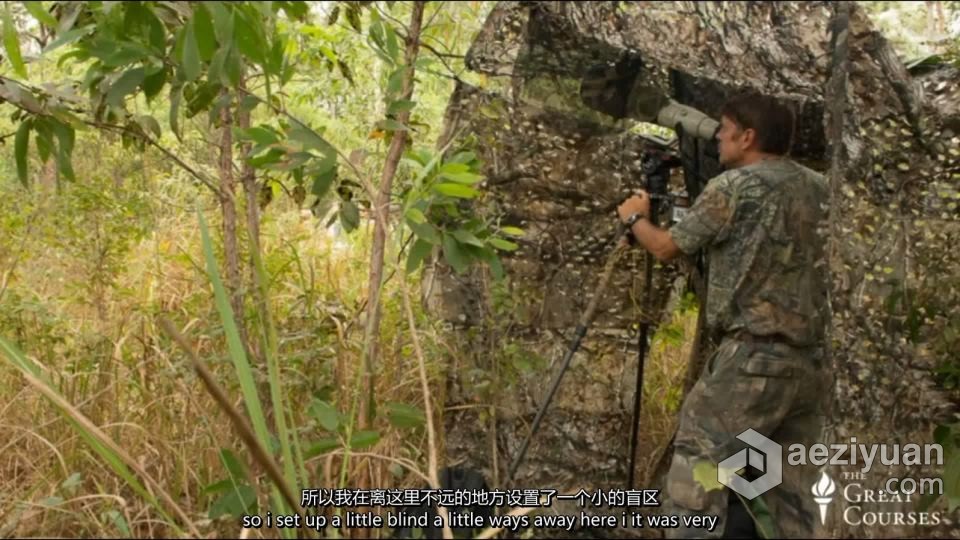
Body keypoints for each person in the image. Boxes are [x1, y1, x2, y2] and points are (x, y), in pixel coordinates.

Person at [617, 92, 831, 538]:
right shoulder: (821, 188)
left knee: (700, 470)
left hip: (750, 361)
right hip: (810, 367)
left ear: (748, 136)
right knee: (787, 490)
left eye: (724, 130)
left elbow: (665, 247)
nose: (717, 140)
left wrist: (636, 218)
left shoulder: (731, 188)